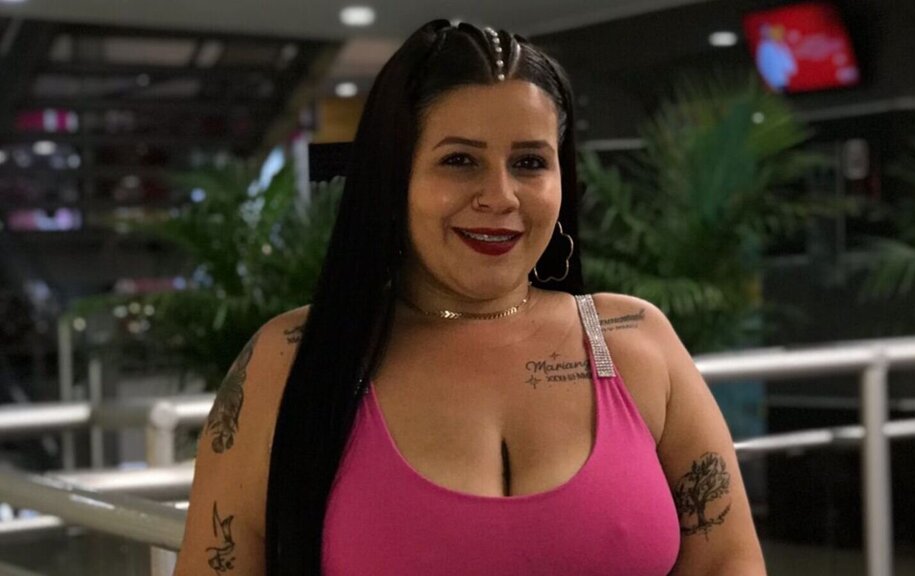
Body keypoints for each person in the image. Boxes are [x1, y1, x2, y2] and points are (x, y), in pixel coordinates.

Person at [175, 20, 766, 575]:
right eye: (459, 161)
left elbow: (728, 562)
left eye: (530, 162)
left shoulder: (637, 343)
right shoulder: (292, 361)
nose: (500, 196)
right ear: (394, 177)